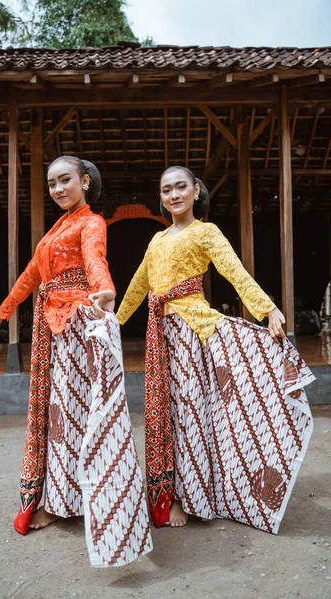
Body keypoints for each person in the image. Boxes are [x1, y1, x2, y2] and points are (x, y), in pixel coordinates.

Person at [116, 165, 314, 533]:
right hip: (159, 335)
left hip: (193, 331)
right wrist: (115, 321)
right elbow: (137, 285)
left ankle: (191, 498)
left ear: (195, 191)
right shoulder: (156, 241)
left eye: (180, 188)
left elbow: (234, 271)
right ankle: (169, 492)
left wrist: (266, 308)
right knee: (168, 414)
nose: (173, 195)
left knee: (191, 412)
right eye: (166, 190)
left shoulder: (206, 231)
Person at [0, 156, 152, 567]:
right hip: (50, 329)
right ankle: (63, 499)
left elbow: (95, 260)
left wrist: (105, 291)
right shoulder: (55, 229)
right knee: (60, 417)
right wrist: (2, 313)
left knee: (72, 415)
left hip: (75, 324)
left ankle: (82, 501)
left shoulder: (91, 223)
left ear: (85, 182)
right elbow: (30, 276)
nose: (57, 188)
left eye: (65, 180)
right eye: (52, 182)